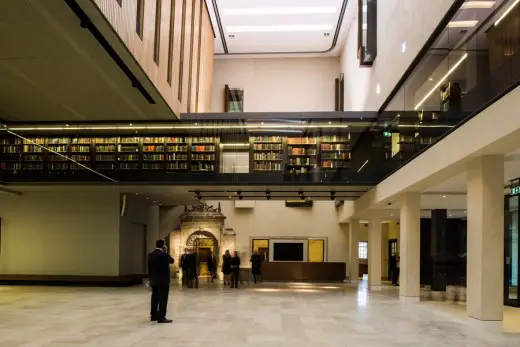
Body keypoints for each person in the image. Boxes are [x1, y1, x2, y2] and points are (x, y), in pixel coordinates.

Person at [148, 239, 174, 323]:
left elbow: (149, 269)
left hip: (154, 279)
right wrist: (166, 252)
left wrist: (150, 279)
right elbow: (172, 261)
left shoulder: (150, 255)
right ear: (163, 246)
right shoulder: (164, 255)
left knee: (154, 298)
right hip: (163, 280)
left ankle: (153, 315)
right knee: (163, 298)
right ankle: (161, 317)